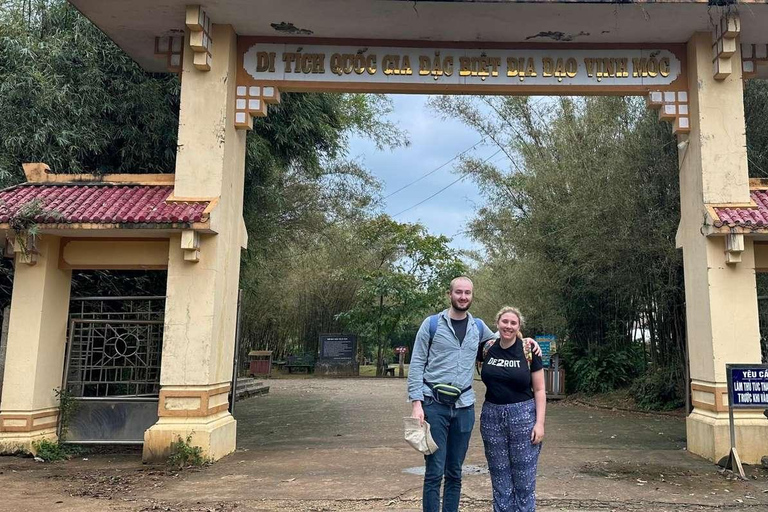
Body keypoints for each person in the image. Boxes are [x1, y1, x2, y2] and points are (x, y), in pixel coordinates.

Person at [407, 277, 540, 512]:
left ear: (472, 296)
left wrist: (525, 340)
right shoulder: (431, 325)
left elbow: (504, 338)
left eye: (467, 293)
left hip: (464, 406)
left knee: (455, 472)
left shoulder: (478, 328)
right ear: (450, 294)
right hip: (434, 405)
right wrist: (416, 403)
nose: (463, 297)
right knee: (435, 470)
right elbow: (417, 363)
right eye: (458, 292)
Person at [477, 306, 546, 512]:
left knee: (524, 480)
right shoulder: (487, 347)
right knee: (500, 480)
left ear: (519, 326)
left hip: (523, 416)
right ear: (497, 324)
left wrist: (540, 423)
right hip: (491, 417)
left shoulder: (528, 350)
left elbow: (540, 389)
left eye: (513, 323)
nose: (508, 326)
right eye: (504, 322)